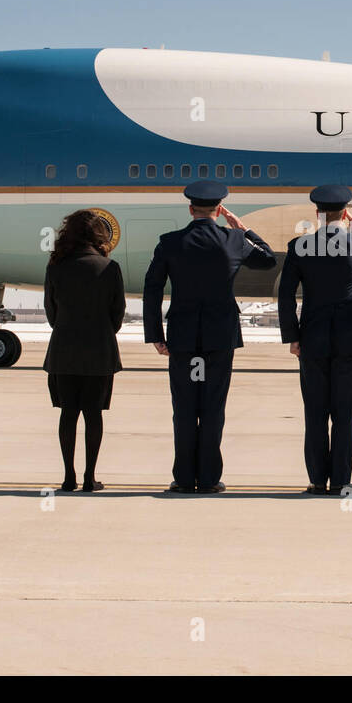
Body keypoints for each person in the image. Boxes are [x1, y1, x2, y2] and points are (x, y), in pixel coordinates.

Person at [142, 181, 277, 493]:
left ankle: (184, 478)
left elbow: (152, 288)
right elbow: (268, 259)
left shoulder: (170, 242)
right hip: (219, 337)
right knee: (214, 408)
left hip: (183, 337)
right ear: (219, 210)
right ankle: (210, 478)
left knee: (185, 408)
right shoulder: (233, 240)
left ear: (191, 209)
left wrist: (155, 335)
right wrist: (244, 229)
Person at [278, 184, 352, 495]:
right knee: (344, 414)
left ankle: (317, 480)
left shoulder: (300, 246)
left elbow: (285, 295)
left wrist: (292, 336)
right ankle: (342, 480)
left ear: (317, 213)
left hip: (312, 340)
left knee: (315, 413)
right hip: (350, 340)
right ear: (345, 213)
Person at [42, 209, 126, 492]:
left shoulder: (55, 267)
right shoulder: (109, 267)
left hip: (64, 348)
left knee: (68, 413)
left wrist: (67, 327)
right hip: (99, 349)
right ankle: (90, 477)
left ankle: (69, 477)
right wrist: (100, 331)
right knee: (93, 414)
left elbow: (51, 312)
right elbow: (118, 314)